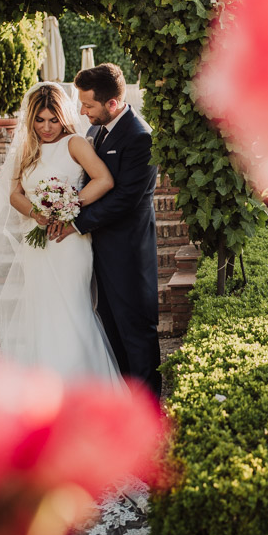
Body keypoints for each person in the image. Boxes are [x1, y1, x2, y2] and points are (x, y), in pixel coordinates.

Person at [0, 82, 125, 390]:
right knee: (42, 314)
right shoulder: (26, 149)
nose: (46, 127)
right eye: (40, 120)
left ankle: (82, 389)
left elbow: (104, 179)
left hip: (69, 243)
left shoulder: (75, 143)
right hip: (37, 244)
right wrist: (35, 212)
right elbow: (15, 195)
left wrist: (69, 207)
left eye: (53, 119)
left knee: (72, 310)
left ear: (63, 117)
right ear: (31, 119)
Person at [47, 63, 162, 397]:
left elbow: (126, 198)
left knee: (136, 331)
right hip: (96, 250)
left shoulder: (140, 137)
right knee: (110, 327)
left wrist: (75, 222)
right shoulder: (95, 132)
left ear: (112, 103)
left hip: (128, 252)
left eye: (88, 105)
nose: (82, 112)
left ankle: (148, 407)